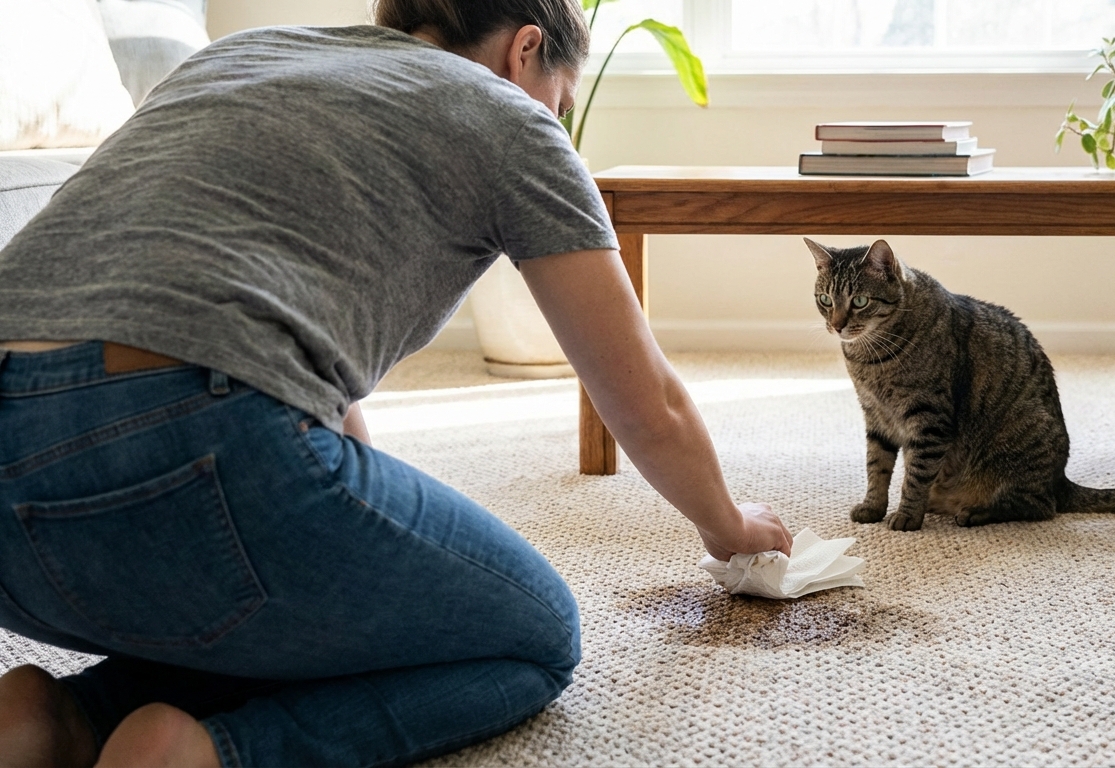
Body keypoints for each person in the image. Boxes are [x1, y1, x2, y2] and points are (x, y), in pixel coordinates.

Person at [0, 0, 793, 764]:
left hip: (15, 520)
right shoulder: (507, 115)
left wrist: (354, 516)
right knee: (537, 636)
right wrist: (731, 529)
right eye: (560, 98)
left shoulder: (238, 57)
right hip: (182, 441)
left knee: (327, 601)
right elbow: (644, 398)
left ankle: (64, 722)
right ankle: (209, 755)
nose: (556, 117)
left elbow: (272, 338)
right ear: (524, 51)